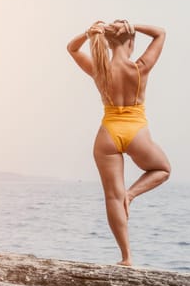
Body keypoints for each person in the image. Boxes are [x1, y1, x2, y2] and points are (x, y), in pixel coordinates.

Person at [67, 19, 171, 266]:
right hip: (136, 132)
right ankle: (131, 194)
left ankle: (126, 257)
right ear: (132, 43)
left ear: (110, 44)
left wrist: (88, 33)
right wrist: (132, 25)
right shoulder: (140, 67)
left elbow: (71, 48)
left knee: (112, 197)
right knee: (163, 169)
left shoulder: (99, 69)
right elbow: (160, 33)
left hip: (108, 134)